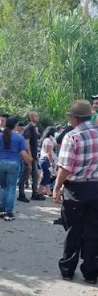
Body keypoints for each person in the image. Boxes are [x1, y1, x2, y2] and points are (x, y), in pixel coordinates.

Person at [53, 100, 98, 283]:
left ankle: (68, 270)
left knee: (73, 230)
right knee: (94, 230)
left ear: (75, 118)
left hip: (76, 190)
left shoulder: (72, 136)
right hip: (96, 188)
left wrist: (56, 188)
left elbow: (65, 167)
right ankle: (91, 272)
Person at [0, 117, 33, 221]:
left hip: (0, 163)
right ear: (15, 126)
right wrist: (29, 164)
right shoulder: (19, 138)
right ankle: (9, 212)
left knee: (3, 186)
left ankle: (2, 209)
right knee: (11, 188)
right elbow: (24, 154)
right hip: (13, 164)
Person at [20, 111, 45, 202]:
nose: (37, 117)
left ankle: (35, 193)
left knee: (35, 175)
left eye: (38, 115)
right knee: (25, 174)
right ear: (30, 117)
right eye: (35, 116)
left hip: (34, 156)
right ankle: (21, 194)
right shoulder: (29, 128)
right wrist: (29, 156)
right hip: (28, 156)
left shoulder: (34, 128)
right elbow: (27, 142)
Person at [39, 127, 57, 195]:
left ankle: (48, 191)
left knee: (47, 175)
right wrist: (52, 162)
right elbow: (49, 152)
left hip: (44, 159)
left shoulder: (46, 140)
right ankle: (39, 191)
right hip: (46, 159)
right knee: (46, 176)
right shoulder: (49, 141)